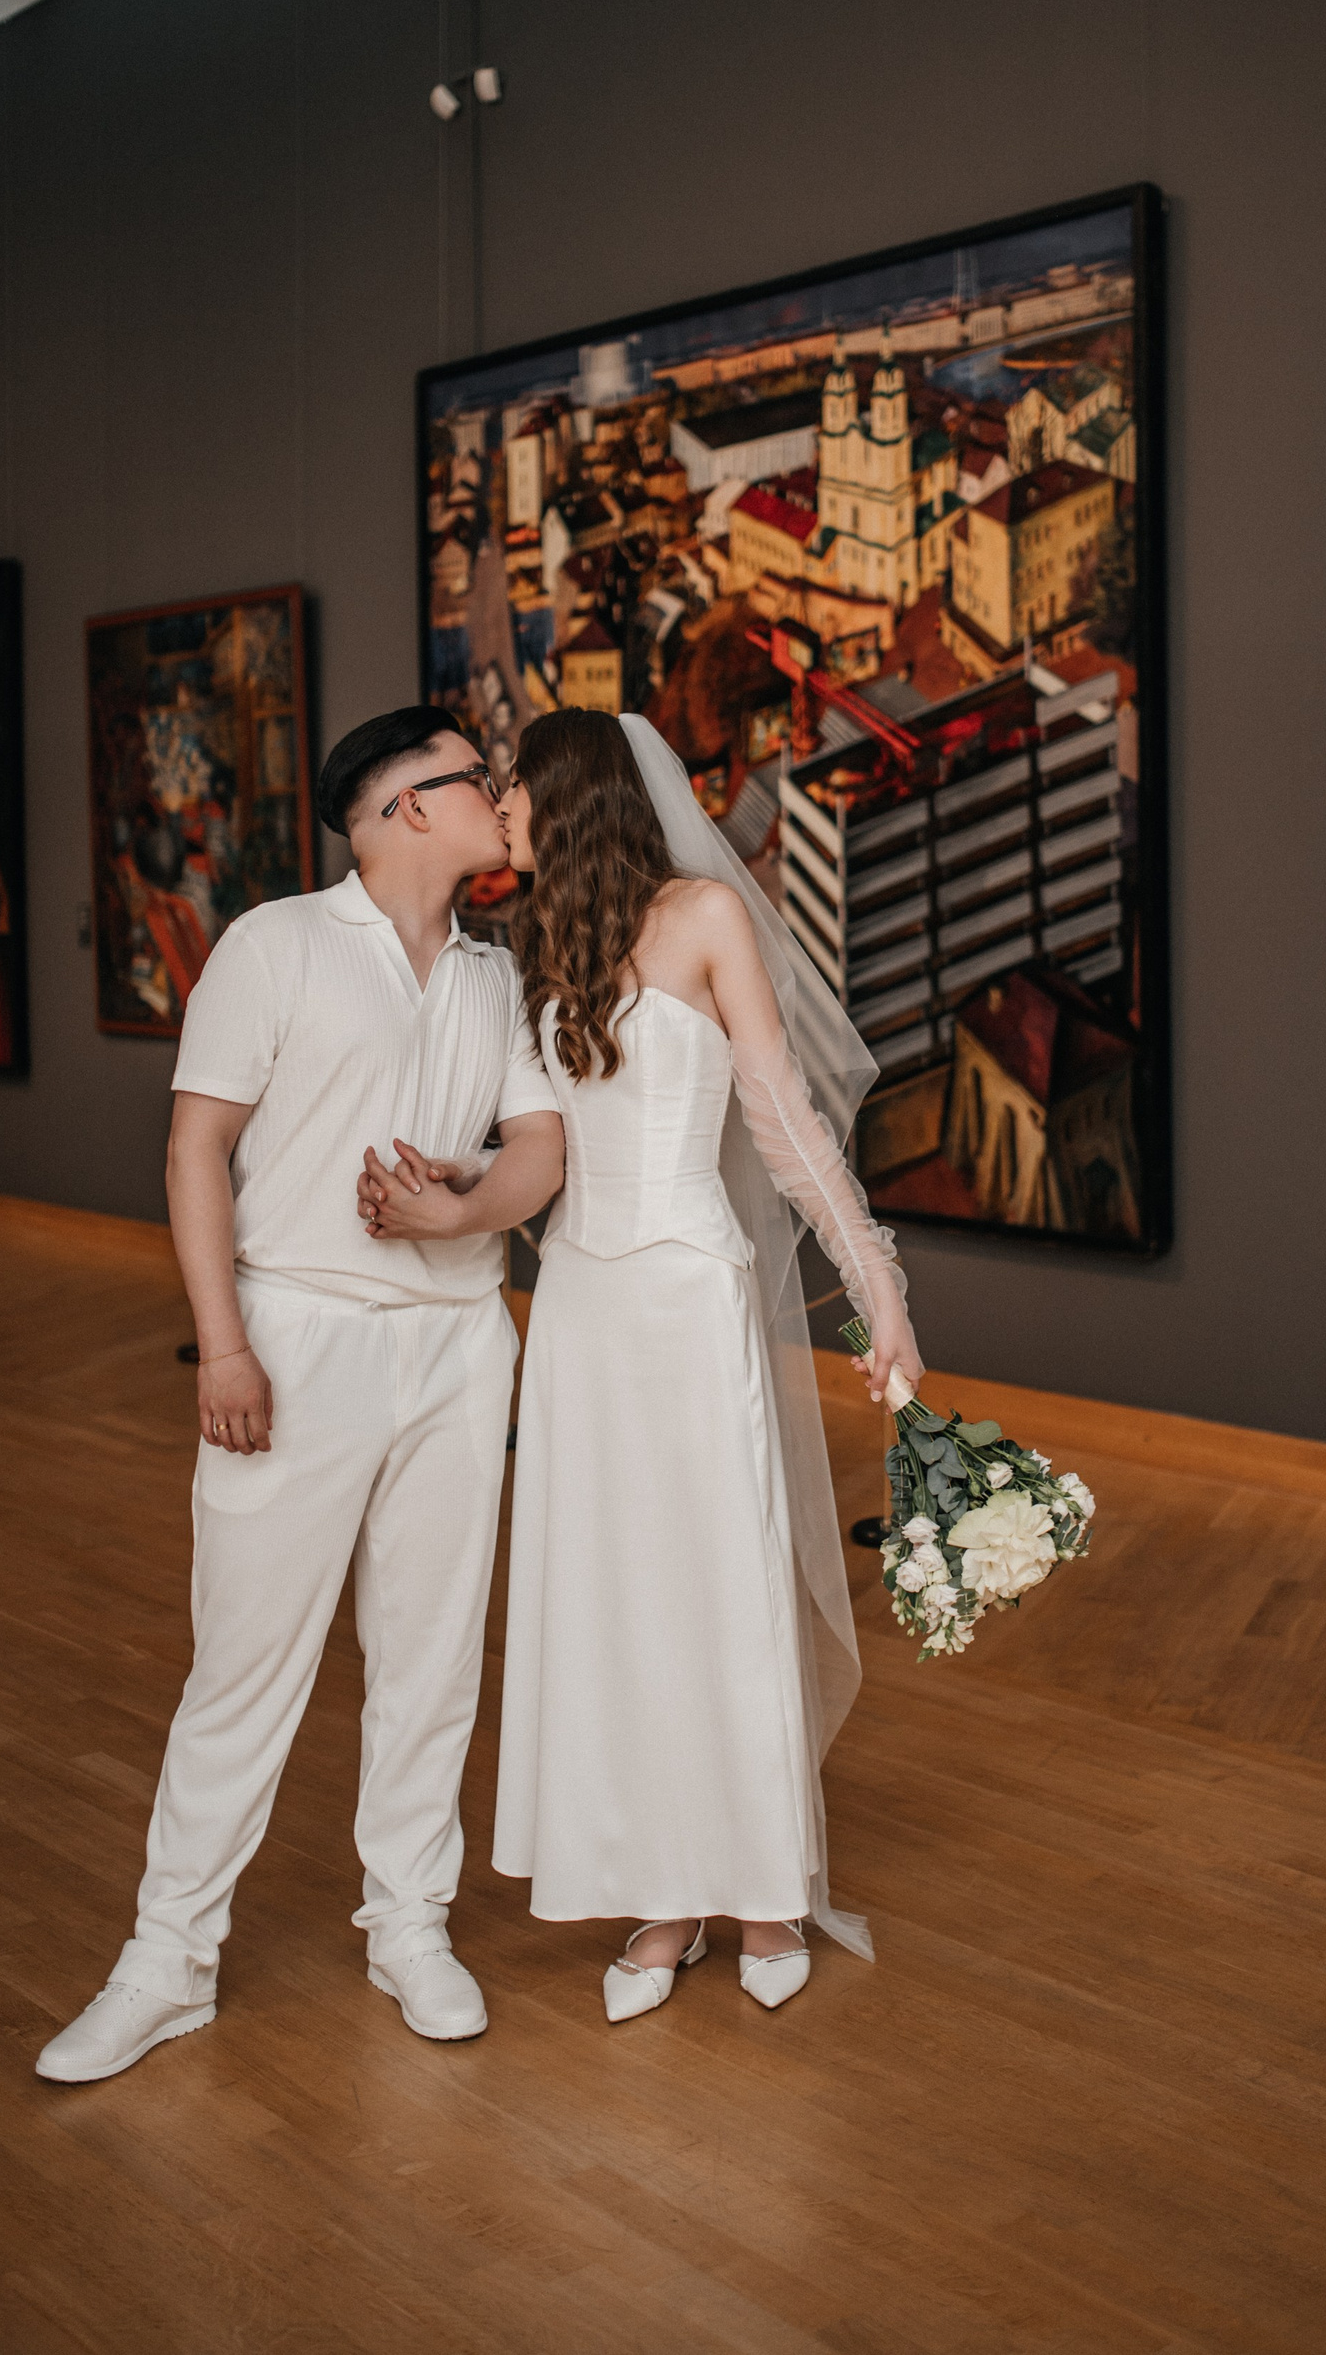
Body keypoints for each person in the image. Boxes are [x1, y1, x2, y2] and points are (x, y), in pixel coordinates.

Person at [359, 707, 922, 2020]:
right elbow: (553, 1148)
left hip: (686, 1301)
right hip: (581, 1314)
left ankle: (764, 1890)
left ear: (570, 796)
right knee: (613, 1603)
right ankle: (662, 1897)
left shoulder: (707, 919)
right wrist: (456, 1178)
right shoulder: (541, 947)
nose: (499, 806)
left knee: (718, 1590)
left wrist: (878, 1290)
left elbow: (785, 1125)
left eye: (512, 787)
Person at [35, 709, 565, 2083]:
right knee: (245, 1663)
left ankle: (410, 1926)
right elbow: (194, 1149)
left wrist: (457, 1210)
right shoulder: (273, 944)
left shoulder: (497, 975)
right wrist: (223, 1346)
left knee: (432, 1658)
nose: (502, 793)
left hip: (460, 1346)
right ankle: (166, 1961)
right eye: (479, 776)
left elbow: (540, 1151)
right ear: (406, 806)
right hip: (295, 1337)